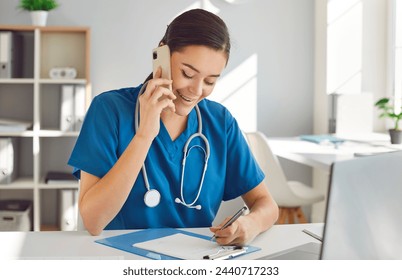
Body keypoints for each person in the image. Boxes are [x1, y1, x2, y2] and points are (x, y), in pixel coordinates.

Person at [68, 8, 278, 245]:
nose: (197, 91)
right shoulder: (109, 110)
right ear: (162, 54)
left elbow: (267, 204)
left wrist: (250, 224)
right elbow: (94, 221)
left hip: (194, 262)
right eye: (187, 73)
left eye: (210, 81)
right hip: (120, 259)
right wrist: (144, 136)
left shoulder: (220, 122)